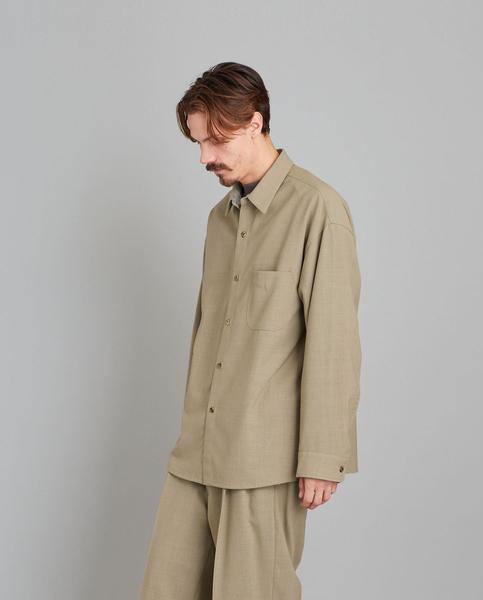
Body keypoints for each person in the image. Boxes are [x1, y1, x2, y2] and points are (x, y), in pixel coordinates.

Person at [139, 61, 362, 600]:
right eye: (198, 143)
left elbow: (334, 342)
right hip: (196, 452)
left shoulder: (317, 209)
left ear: (255, 123)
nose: (204, 158)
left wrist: (321, 457)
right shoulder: (219, 220)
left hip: (261, 462)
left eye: (214, 141)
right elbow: (207, 335)